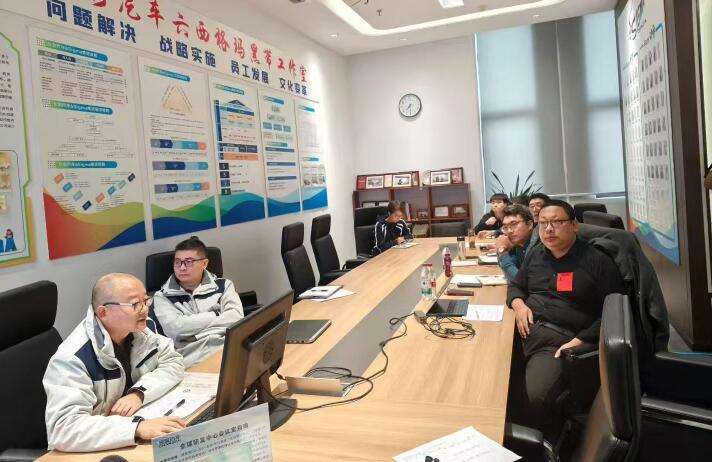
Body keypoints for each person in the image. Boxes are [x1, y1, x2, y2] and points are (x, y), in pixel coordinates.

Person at [506, 200, 624, 438]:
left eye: (557, 222)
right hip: (521, 330)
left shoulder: (596, 261)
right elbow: (516, 286)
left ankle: (536, 444)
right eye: (543, 223)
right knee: (489, 376)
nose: (549, 229)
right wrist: (518, 305)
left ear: (574, 225)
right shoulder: (536, 254)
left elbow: (615, 311)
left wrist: (581, 340)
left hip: (558, 341)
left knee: (534, 396)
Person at [43, 273, 185, 452]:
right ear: (103, 313)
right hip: (91, 448)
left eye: (145, 300)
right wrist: (137, 428)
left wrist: (139, 393)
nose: (144, 309)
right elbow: (64, 429)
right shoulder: (73, 358)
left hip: (128, 431)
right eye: (135, 304)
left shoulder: (141, 328)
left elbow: (173, 361)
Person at [153, 236, 245, 368]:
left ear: (204, 264)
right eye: (177, 262)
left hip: (226, 349)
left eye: (189, 262)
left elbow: (236, 318)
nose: (182, 268)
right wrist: (216, 314)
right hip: (191, 358)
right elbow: (177, 329)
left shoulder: (224, 285)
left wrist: (194, 335)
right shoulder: (162, 296)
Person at [494, 204, 538, 281]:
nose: (509, 231)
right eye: (505, 227)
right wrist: (506, 249)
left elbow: (522, 281)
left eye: (514, 224)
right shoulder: (519, 243)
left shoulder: (538, 246)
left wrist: (502, 252)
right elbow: (510, 272)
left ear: (530, 224)